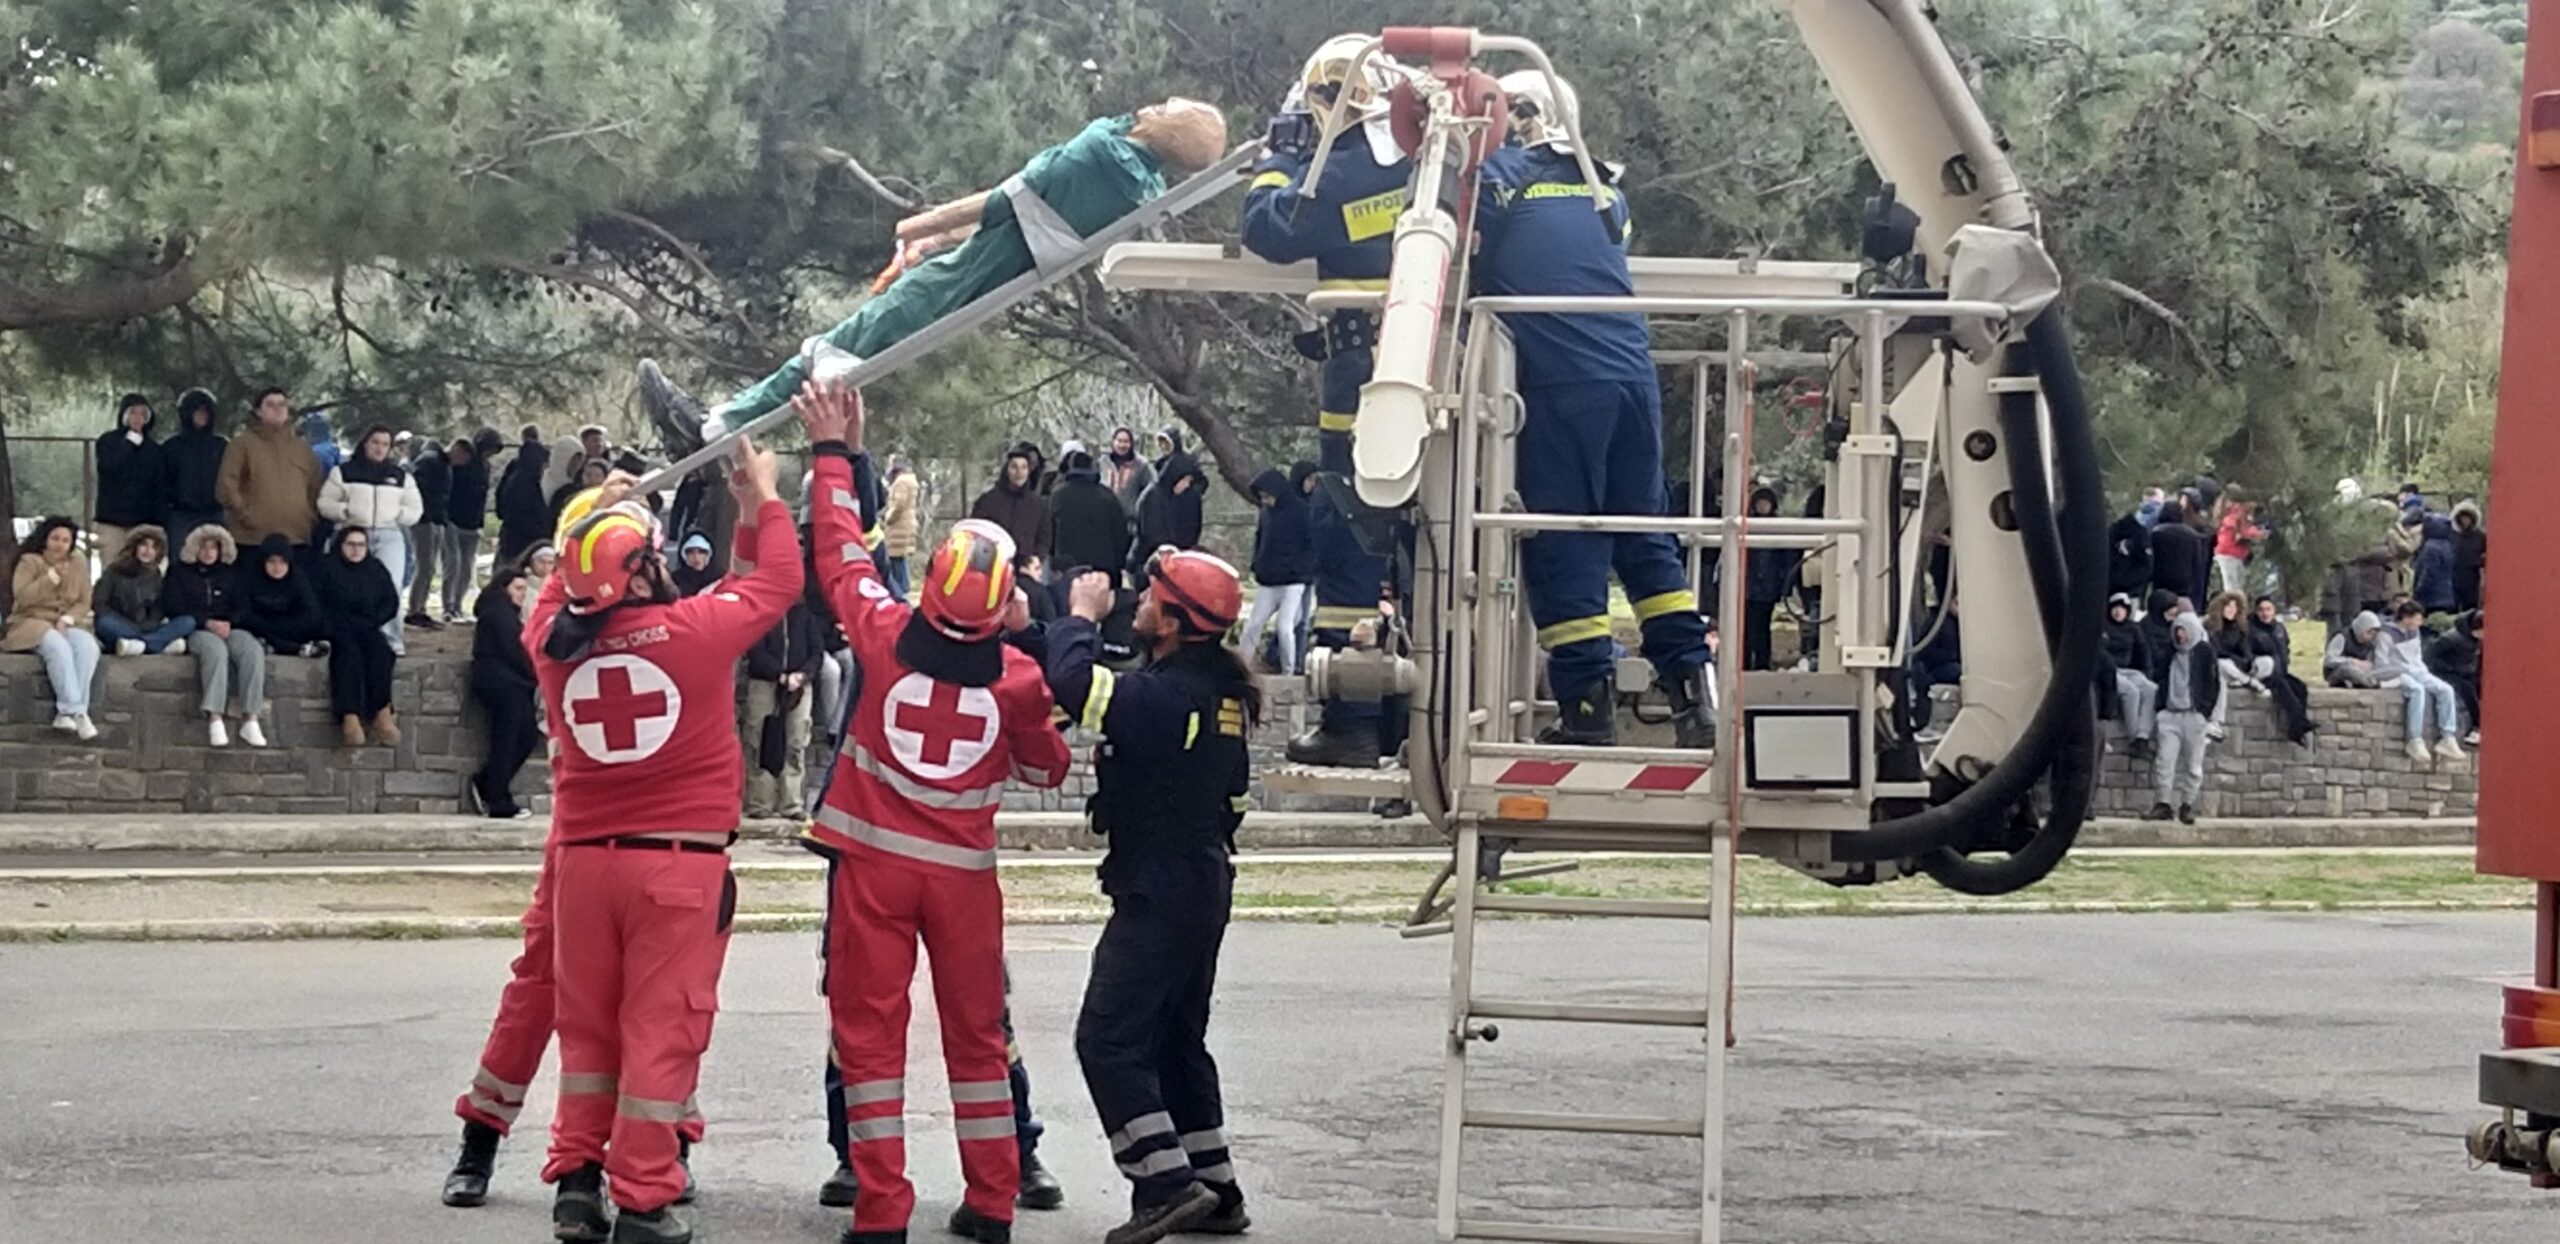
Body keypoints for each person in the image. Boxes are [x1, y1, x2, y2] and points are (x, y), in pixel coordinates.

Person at [789, 381, 1069, 1244]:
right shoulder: (1019, 681)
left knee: (869, 1045)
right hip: (963, 884)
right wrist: (1037, 651)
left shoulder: (881, 632)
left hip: (871, 874)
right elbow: (1048, 769)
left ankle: (881, 1212)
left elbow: (840, 554)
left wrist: (835, 454)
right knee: (979, 1044)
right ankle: (992, 1204)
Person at [514, 438, 798, 1244]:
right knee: (658, 1033)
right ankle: (643, 1194)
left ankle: (577, 1178)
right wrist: (763, 499)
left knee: (589, 1033)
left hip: (582, 867)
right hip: (675, 867)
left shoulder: (551, 648)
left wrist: (602, 509)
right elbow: (775, 582)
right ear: (639, 573)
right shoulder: (691, 632)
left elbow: (552, 592)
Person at [639, 100, 1229, 451]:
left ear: (1169, 127)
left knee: (834, 350)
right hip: (979, 269)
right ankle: (720, 426)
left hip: (960, 277)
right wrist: (939, 234)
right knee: (835, 354)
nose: (1151, 106)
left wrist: (919, 224)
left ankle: (717, 428)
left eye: (1167, 108)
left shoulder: (1102, 151)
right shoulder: (1141, 190)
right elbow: (1024, 216)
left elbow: (1007, 199)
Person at [1466, 72, 1715, 744]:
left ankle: (1586, 709)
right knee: (1645, 541)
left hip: (1561, 384)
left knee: (1565, 542)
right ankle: (1695, 696)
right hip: (1633, 382)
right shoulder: (1608, 191)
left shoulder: (1505, 175)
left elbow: (1450, 230)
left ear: (1516, 117)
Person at [1047, 551, 1255, 1244]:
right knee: (1174, 1041)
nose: (1138, 601)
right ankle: (1218, 1189)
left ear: (1172, 621)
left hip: (1161, 887)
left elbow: (1076, 684)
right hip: (1201, 881)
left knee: (1106, 1040)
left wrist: (1077, 615)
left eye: (1151, 596)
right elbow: (1233, 799)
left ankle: (1163, 1185)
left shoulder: (1171, 697)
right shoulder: (1218, 697)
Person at [1243, 36, 1416, 767]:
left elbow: (1268, 229)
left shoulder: (1340, 175)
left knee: (1345, 523)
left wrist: (1276, 162)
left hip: (1364, 373)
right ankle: (1409, 713)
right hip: (1442, 371)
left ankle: (1350, 716)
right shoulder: (1422, 172)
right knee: (1428, 543)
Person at [320, 425, 427, 655]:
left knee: (391, 587)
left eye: (385, 444)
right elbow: (325, 503)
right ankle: (342, 633)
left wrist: (399, 515)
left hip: (388, 534)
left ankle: (391, 640)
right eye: (375, 442)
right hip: (352, 533)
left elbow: (415, 508)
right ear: (365, 443)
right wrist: (346, 511)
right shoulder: (343, 472)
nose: (379, 448)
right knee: (342, 585)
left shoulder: (400, 476)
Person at [159, 524, 269, 747]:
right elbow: (172, 605)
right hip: (197, 629)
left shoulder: (232, 573)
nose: (208, 552)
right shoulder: (179, 571)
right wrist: (206, 621)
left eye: (213, 548)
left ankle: (251, 717)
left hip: (229, 627)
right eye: (204, 547)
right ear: (194, 548)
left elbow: (243, 606)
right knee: (215, 652)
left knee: (252, 649)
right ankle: (215, 717)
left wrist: (230, 622)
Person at [7, 517, 103, 738]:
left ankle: (67, 715)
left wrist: (68, 619)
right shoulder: (29, 561)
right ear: (45, 539)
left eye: (65, 540)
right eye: (55, 539)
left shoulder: (78, 564)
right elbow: (22, 597)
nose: (60, 544)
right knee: (56, 645)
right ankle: (76, 711)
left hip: (63, 622)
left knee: (88, 646)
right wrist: (50, 578)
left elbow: (83, 601)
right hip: (30, 622)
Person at [740, 584, 824, 821]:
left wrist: (803, 675)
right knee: (758, 741)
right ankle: (759, 802)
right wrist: (779, 674)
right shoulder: (764, 615)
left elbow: (817, 652)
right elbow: (755, 651)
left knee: (795, 742)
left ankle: (792, 803)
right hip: (765, 683)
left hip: (799, 685)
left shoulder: (805, 616)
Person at [315, 527, 403, 748]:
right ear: (340, 545)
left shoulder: (375, 569)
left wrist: (374, 620)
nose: (356, 550)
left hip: (368, 625)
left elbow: (390, 601)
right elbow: (316, 602)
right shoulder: (325, 567)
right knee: (348, 656)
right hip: (338, 627)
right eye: (351, 544)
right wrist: (331, 625)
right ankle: (349, 716)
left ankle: (382, 712)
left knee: (381, 653)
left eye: (361, 545)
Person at [468, 566, 538, 820]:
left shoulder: (506, 614)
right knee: (507, 740)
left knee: (525, 737)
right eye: (518, 589)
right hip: (501, 683)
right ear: (504, 589)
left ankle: (489, 783)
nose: (522, 594)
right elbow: (514, 651)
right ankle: (496, 797)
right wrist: (536, 673)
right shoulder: (498, 614)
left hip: (514, 683)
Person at [217, 387, 324, 551]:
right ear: (259, 412)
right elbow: (226, 486)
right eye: (271, 405)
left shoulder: (302, 448)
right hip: (252, 539)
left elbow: (315, 485)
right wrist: (246, 514)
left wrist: (309, 516)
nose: (278, 409)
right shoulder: (242, 444)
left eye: (282, 404)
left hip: (296, 538)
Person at [1240, 463, 1317, 675]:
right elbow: (1260, 539)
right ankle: (1242, 667)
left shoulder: (1301, 511)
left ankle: (1288, 671)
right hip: (1269, 581)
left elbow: (1310, 544)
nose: (1265, 501)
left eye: (1267, 496)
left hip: (1293, 582)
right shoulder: (1266, 513)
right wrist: (1257, 564)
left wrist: (1302, 572)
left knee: (1285, 628)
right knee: (1253, 626)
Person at [2144, 613, 2219, 824]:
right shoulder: (2169, 651)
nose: (2180, 635)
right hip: (2170, 715)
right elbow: (2157, 672)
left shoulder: (2204, 652)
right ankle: (2163, 804)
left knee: (2193, 766)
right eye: (2177, 631)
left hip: (2194, 714)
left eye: (2184, 630)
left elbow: (2213, 683)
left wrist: (2205, 712)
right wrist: (2160, 708)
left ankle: (2187, 804)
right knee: (2164, 762)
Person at [2376, 600, 2463, 766]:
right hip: (2395, 672)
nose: (2420, 623)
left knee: (2446, 690)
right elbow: (2382, 663)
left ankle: (2448, 736)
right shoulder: (2386, 634)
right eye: (2417, 619)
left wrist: (2421, 671)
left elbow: (2416, 657)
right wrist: (2402, 670)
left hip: (2416, 670)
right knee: (2417, 690)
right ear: (2406, 618)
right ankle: (2414, 738)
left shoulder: (2415, 632)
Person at [93, 525, 194, 656]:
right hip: (120, 625)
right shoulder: (114, 570)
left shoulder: (156, 575)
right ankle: (156, 645)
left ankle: (142, 644)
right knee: (104, 623)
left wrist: (150, 624)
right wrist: (128, 625)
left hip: (148, 628)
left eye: (153, 547)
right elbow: (100, 604)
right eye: (144, 545)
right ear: (135, 546)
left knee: (187, 622)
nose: (148, 550)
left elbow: (159, 607)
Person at [93, 392, 166, 566]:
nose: (138, 418)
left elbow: (159, 486)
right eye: (133, 412)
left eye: (143, 414)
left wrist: (159, 522)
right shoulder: (108, 441)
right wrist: (129, 443)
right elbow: (109, 467)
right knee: (112, 567)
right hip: (112, 520)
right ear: (124, 415)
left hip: (143, 522)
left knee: (143, 571)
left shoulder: (154, 450)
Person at [1046, 445, 1129, 582]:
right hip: (1104, 569)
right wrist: (1118, 565)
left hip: (1068, 569)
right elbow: (1120, 535)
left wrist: (1055, 560)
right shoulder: (1107, 496)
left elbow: (1049, 532)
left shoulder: (1059, 495)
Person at [235, 534, 328, 657]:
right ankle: (297, 649)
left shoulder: (297, 579)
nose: (277, 567)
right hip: (261, 628)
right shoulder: (250, 578)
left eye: (283, 562)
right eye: (272, 561)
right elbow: (244, 612)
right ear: (264, 561)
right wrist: (266, 626)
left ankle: (284, 646)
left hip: (289, 627)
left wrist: (281, 626)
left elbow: (311, 614)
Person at [1739, 486, 1799, 673]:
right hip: (1748, 587)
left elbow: (1787, 559)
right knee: (1745, 627)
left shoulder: (1777, 527)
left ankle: (1762, 661)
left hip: (1767, 587)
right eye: (1760, 503)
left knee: (1762, 626)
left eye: (1766, 503)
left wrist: (1784, 586)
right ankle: (1745, 662)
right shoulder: (1746, 525)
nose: (1763, 507)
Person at [1130, 429, 1207, 571]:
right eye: (1161, 443)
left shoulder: (1183, 466)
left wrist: (1190, 484)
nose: (1163, 446)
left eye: (1166, 442)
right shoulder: (1157, 482)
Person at [444, 429, 499, 620]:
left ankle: (458, 603)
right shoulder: (463, 465)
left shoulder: (486, 467)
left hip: (473, 522)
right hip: (454, 519)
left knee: (467, 567)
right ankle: (448, 605)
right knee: (454, 564)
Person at [161, 388, 229, 540]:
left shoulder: (221, 445)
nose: (201, 415)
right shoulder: (172, 446)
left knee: (217, 558)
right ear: (187, 413)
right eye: (196, 411)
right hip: (181, 514)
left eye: (205, 411)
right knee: (180, 559)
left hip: (214, 512)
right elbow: (163, 482)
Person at [407, 436, 455, 631]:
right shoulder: (429, 461)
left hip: (434, 518)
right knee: (425, 565)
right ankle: (414, 609)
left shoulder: (441, 464)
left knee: (428, 567)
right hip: (426, 519)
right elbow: (422, 490)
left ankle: (419, 607)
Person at [971, 444, 1051, 558]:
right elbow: (976, 533)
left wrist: (1036, 558)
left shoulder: (1039, 505)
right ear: (1006, 470)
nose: (1019, 472)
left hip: (1026, 568)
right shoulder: (987, 502)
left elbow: (1044, 539)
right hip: (995, 564)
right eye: (1014, 467)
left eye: (1024, 467)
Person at [2102, 593, 2156, 757]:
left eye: (2122, 609)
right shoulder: (2102, 626)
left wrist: (2147, 673)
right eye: (2115, 608)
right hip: (2109, 670)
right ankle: (2133, 737)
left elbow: (2143, 651)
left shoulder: (2133, 628)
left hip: (2128, 670)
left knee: (2151, 689)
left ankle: (2143, 736)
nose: (2118, 612)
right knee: (2130, 692)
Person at [495, 424, 554, 566]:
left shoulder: (515, 472)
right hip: (526, 539)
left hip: (510, 536)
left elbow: (501, 497)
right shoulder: (531, 482)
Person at [1907, 597, 1964, 737]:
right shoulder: (1937, 622)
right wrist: (1952, 656)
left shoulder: (1961, 624)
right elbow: (1925, 651)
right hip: (1936, 667)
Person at [2429, 608, 2484, 745]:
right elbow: (2430, 656)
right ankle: (2477, 727)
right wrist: (2451, 668)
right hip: (2448, 673)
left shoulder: (2474, 641)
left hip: (2466, 671)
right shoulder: (2452, 639)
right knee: (2468, 692)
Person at [2147, 497, 2208, 607]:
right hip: (2184, 579)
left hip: (2161, 578)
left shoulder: (2156, 533)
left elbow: (2151, 558)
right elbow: (2197, 562)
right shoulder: (2192, 535)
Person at [881, 456, 922, 600]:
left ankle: (901, 591)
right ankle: (903, 589)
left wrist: (888, 517)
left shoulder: (901, 483)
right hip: (906, 524)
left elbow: (898, 504)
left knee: (895, 558)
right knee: (899, 558)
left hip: (898, 526)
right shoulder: (911, 481)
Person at [2414, 508, 2459, 613]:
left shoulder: (2431, 547)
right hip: (2448, 595)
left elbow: (2429, 573)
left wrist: (2418, 593)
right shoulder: (2448, 544)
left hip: (2432, 598)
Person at [1103, 426, 1155, 514]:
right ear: (1113, 442)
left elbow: (1151, 489)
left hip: (1130, 519)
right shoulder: (1103, 462)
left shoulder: (1141, 465)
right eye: (1119, 441)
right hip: (1104, 516)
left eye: (1126, 441)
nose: (1122, 445)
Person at [2107, 504, 2155, 600]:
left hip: (2127, 590)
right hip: (2123, 588)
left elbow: (2146, 566)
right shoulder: (2110, 532)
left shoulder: (2138, 534)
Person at [2452, 501, 2487, 613]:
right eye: (2462, 518)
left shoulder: (2481, 536)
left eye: (2467, 518)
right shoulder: (2454, 535)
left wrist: (2478, 562)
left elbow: (2486, 554)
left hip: (2472, 575)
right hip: (2456, 574)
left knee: (2471, 605)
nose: (2465, 521)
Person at [671, 532, 720, 597]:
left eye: (701, 552)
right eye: (691, 552)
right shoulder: (675, 580)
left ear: (708, 555)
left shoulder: (720, 578)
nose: (696, 557)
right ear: (685, 556)